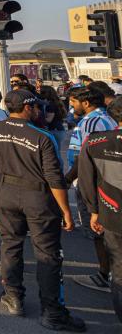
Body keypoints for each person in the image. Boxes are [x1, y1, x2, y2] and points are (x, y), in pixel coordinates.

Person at [0, 89, 85, 330]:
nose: (38, 111)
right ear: (28, 108)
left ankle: (13, 295)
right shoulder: (42, 136)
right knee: (47, 253)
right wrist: (66, 211)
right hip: (37, 197)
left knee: (10, 246)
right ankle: (52, 311)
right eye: (36, 107)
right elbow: (54, 178)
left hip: (5, 192)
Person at [65, 86, 117, 294]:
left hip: (93, 182)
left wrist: (68, 178)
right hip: (99, 180)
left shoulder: (93, 122)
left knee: (97, 230)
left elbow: (87, 156)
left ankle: (106, 275)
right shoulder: (99, 119)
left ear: (86, 103)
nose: (71, 106)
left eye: (73, 102)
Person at [77, 104, 122, 324]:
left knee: (119, 271)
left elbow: (86, 181)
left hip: (111, 213)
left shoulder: (95, 141)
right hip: (109, 213)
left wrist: (93, 211)